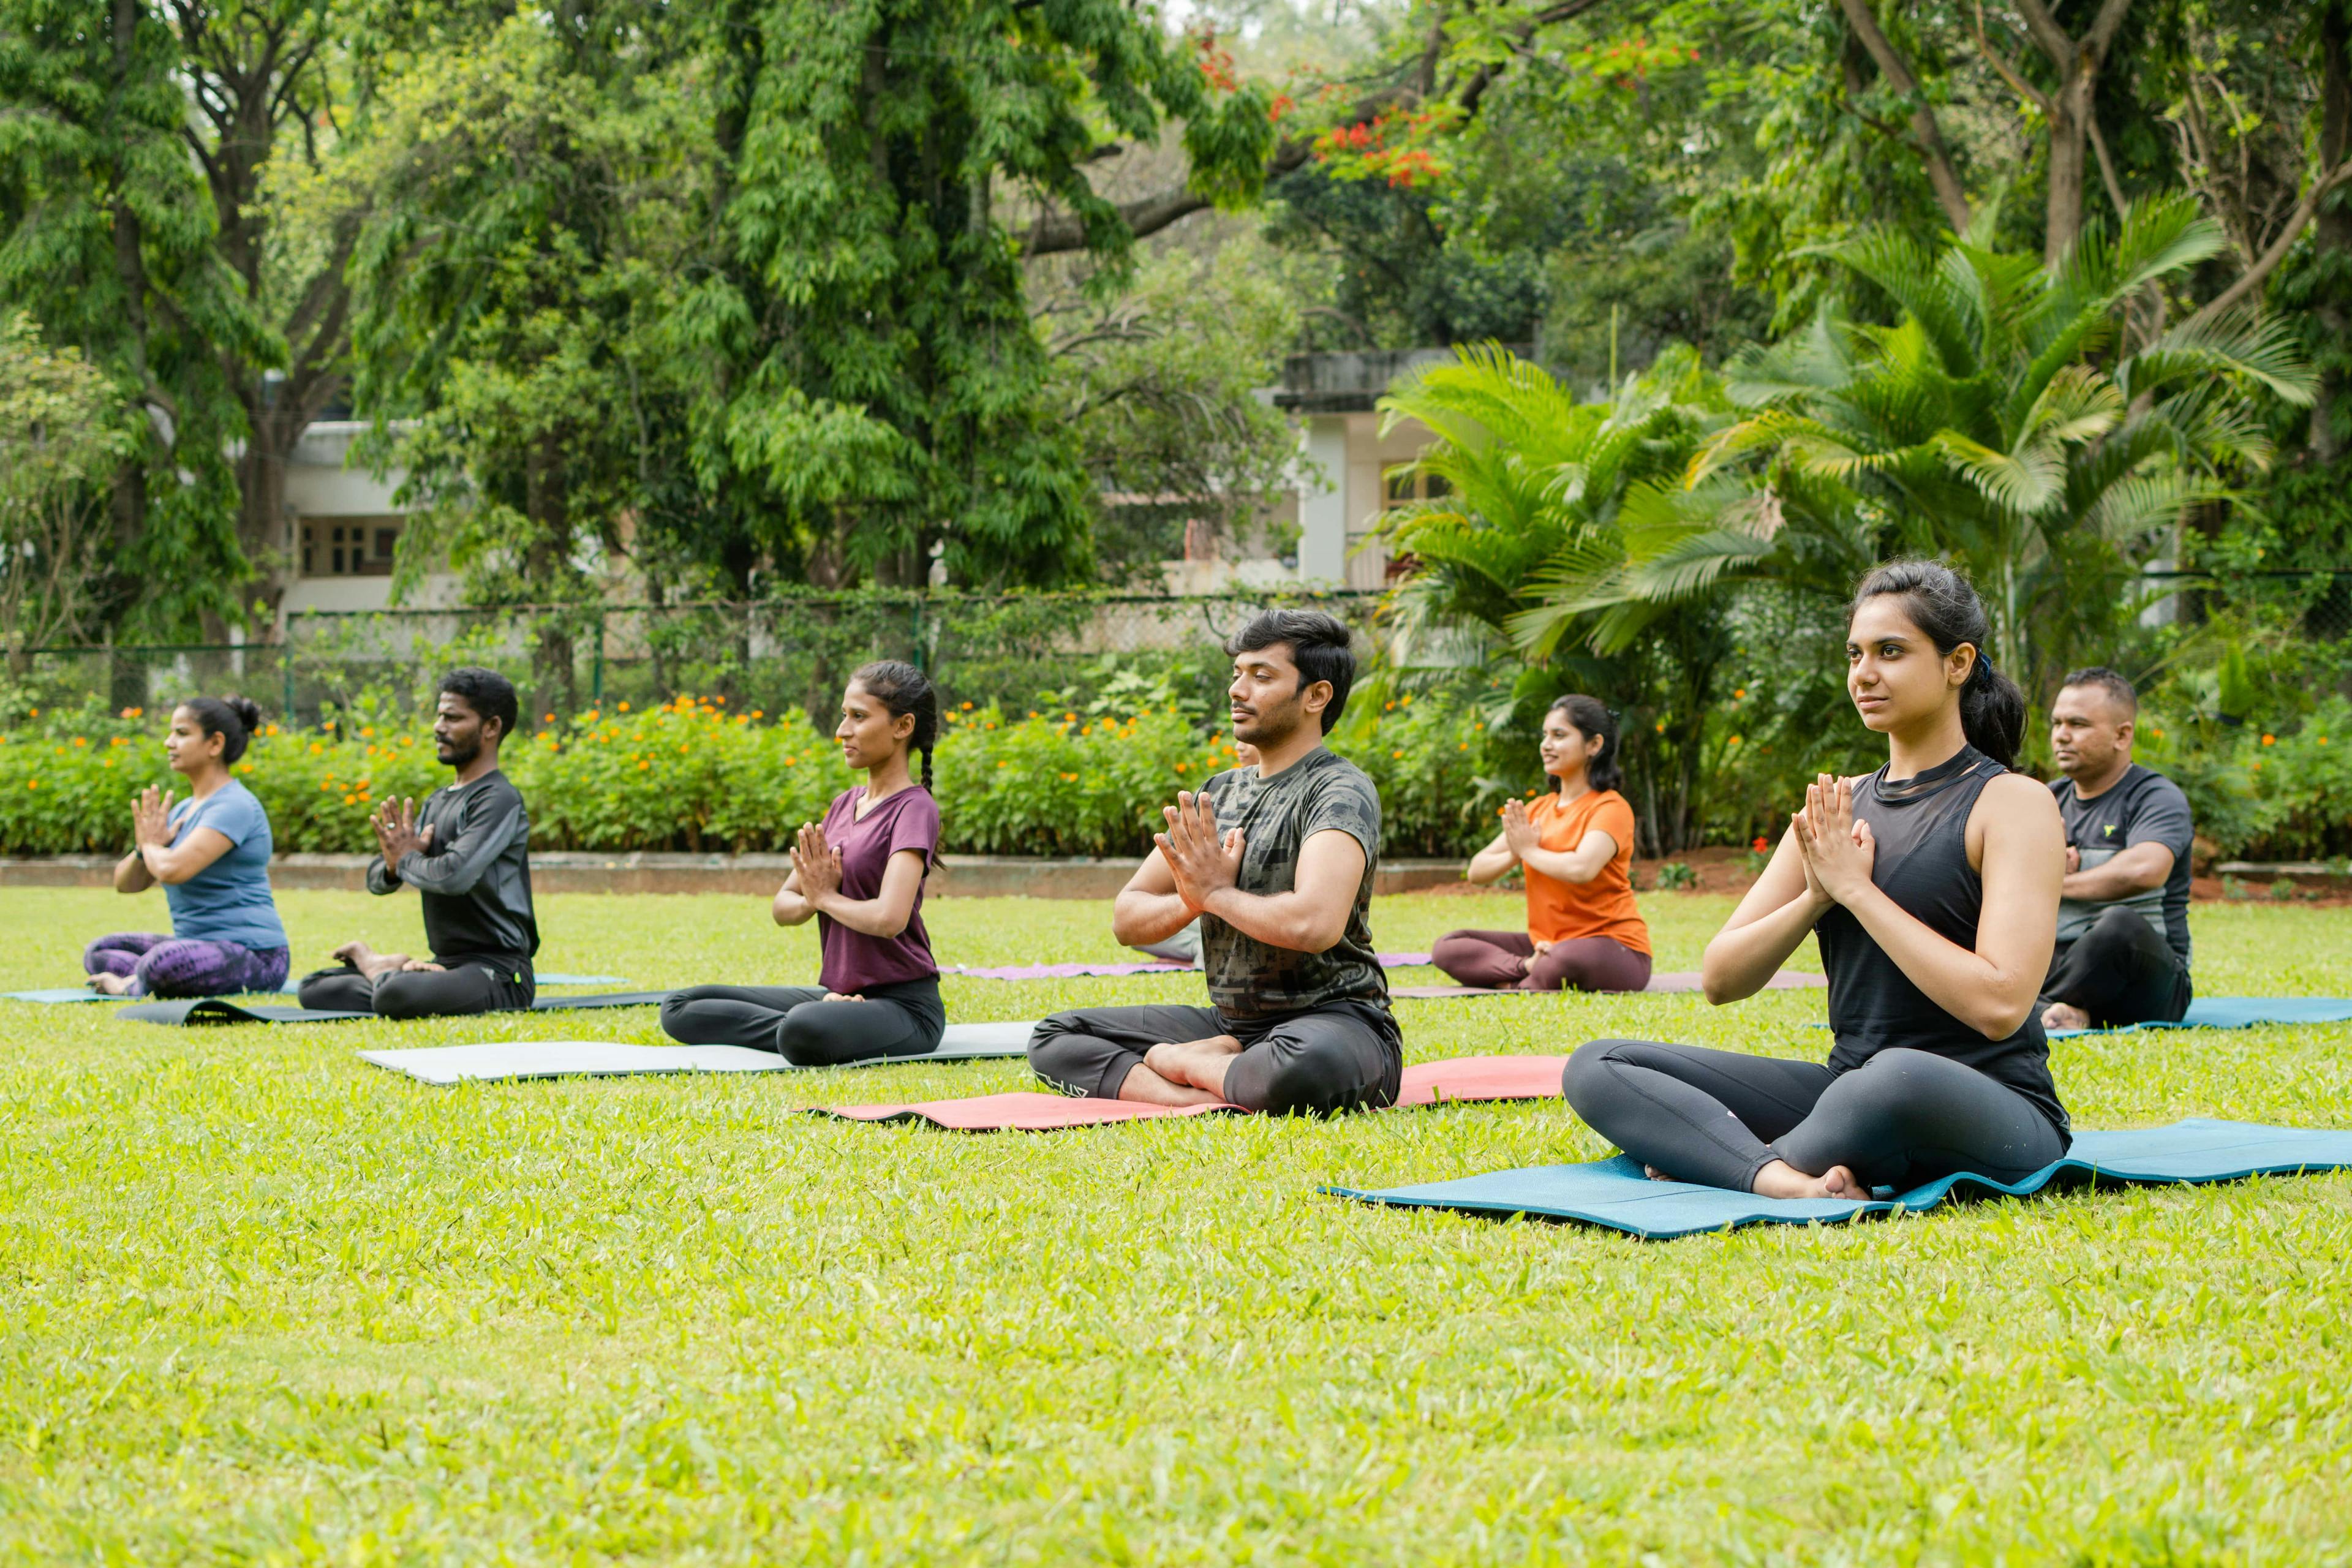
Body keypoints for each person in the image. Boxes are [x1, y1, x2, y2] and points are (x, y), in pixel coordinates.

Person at [1564, 560, 2070, 1199]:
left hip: (1989, 1106)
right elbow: (1721, 979)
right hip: (1847, 1092)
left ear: (1958, 663)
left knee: (1891, 1080)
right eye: (1855, 653)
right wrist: (1818, 893)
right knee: (1600, 1065)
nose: (1864, 673)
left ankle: (1738, 1162)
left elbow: (2000, 1006)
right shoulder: (1835, 809)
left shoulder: (2011, 802)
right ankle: (1787, 1181)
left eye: (1891, 652)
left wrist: (1859, 890)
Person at [1027, 608, 1401, 1116]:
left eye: (1261, 676)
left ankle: (1180, 1064)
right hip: (1229, 1025)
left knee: (1309, 1069)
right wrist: (1192, 898)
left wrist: (1217, 896)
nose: (1237, 690)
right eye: (1237, 674)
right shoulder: (1218, 794)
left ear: (1316, 696)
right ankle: (1191, 1088)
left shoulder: (1338, 790)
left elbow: (1316, 924)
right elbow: (1127, 918)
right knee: (1057, 1037)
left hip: (1335, 1020)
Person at [660, 662, 946, 1065]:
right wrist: (814, 898)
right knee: (681, 1006)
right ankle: (826, 1018)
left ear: (903, 727)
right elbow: (783, 907)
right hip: (841, 995)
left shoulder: (915, 808)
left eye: (859, 717)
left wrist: (825, 898)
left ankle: (816, 1022)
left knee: (803, 1028)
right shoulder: (845, 805)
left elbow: (889, 918)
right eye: (845, 715)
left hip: (906, 1007)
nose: (842, 730)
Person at [297, 668, 539, 1019]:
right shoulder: (439, 800)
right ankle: (395, 972)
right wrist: (395, 866)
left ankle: (386, 971)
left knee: (398, 994)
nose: (439, 727)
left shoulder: (498, 799)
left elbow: (454, 876)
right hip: (446, 965)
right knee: (317, 987)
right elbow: (379, 879)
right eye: (439, 716)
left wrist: (405, 861)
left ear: (491, 727)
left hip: (500, 973)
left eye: (453, 718)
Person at [1432, 695, 1651, 992]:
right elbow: (1477, 871)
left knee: (1562, 960)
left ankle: (1520, 977)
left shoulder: (1611, 808)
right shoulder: (1538, 810)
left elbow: (1581, 867)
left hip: (1613, 947)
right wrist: (1515, 851)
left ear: (1594, 745)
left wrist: (1528, 850)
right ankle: (1527, 970)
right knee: (1448, 947)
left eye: (1559, 736)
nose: (1546, 745)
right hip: (1545, 943)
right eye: (1545, 735)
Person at [85, 696, 291, 998]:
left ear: (215, 744)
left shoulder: (235, 806)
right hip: (198, 946)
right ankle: (156, 975)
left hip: (256, 956)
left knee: (162, 963)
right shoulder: (185, 809)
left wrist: (151, 845)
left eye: (181, 734)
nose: (169, 742)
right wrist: (144, 851)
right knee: (101, 951)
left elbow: (172, 869)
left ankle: (133, 984)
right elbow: (126, 884)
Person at [2036, 667, 2195, 1033]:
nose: (2062, 735)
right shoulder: (2046, 799)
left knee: (2119, 925)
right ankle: (2067, 1011)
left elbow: (2145, 870)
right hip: (2059, 962)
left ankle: (2029, 1011)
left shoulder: (2156, 797)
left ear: (2123, 735)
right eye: (2057, 723)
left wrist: (2052, 881)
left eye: (2078, 724)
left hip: (2145, 980)